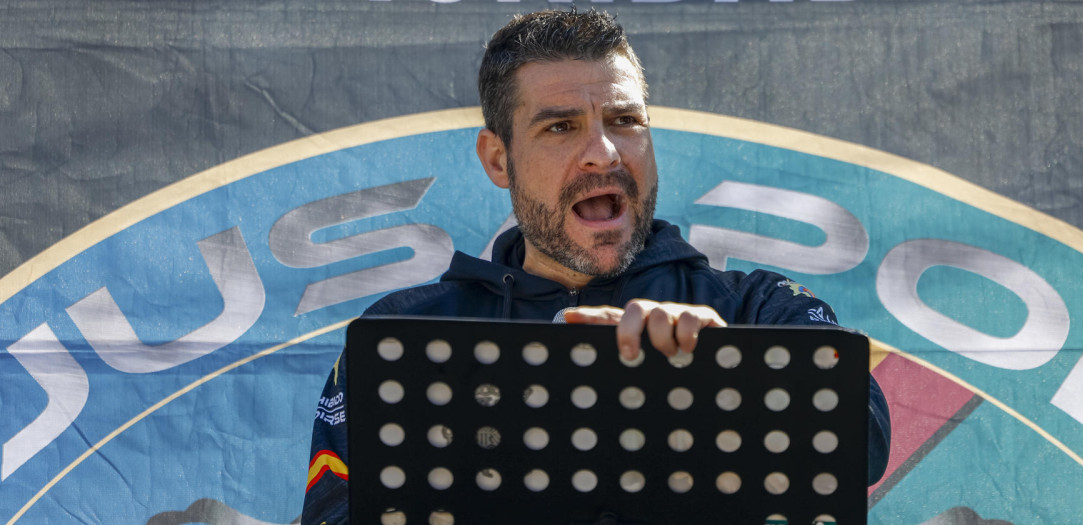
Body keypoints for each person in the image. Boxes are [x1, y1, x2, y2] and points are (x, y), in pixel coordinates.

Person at [303, 8, 890, 524]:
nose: (604, 153)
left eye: (625, 121)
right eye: (561, 127)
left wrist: (725, 373)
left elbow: (863, 439)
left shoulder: (758, 308)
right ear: (499, 159)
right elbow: (334, 513)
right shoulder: (405, 332)